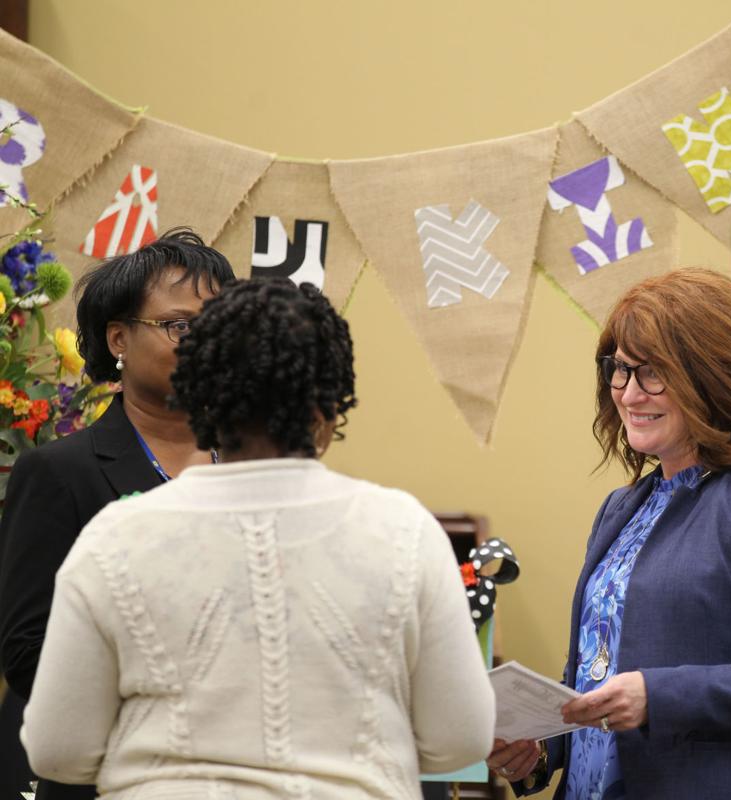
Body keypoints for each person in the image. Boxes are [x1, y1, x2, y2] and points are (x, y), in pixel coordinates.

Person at [20, 278, 495, 798]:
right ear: (330, 408)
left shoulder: (115, 538)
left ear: (198, 399)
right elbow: (461, 739)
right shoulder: (405, 531)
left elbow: (58, 751)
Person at [489, 268, 731, 799]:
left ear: (714, 376)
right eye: (621, 371)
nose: (629, 394)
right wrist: (539, 751)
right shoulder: (621, 507)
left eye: (653, 373)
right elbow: (593, 672)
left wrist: (658, 696)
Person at [0, 228, 235, 800]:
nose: (203, 343)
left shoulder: (253, 471)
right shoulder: (59, 473)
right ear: (119, 338)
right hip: (98, 770)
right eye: (180, 325)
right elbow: (27, 650)